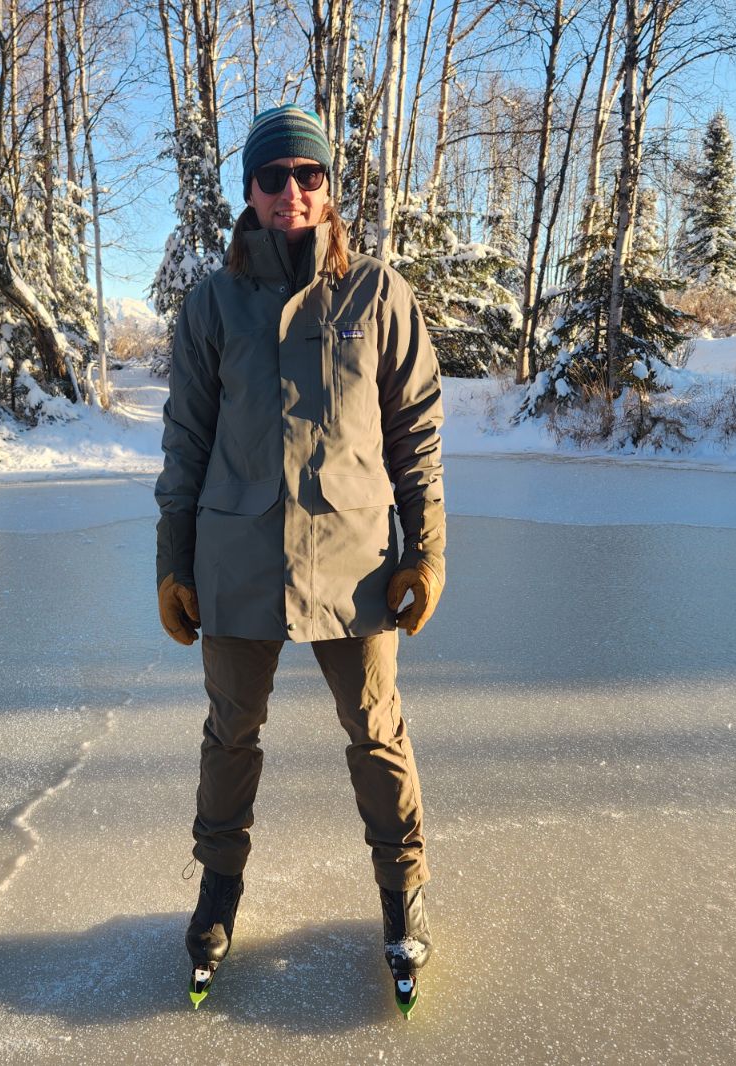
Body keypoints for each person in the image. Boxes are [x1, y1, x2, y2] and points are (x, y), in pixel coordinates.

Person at [154, 103, 446, 1015]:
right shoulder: (212, 303)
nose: (292, 192)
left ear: (329, 188)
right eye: (274, 177)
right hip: (236, 561)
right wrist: (174, 562)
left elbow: (418, 437)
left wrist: (425, 551)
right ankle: (216, 899)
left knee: (377, 731)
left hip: (353, 563)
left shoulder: (378, 296)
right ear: (249, 190)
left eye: (309, 176)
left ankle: (402, 899)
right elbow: (185, 443)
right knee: (229, 735)